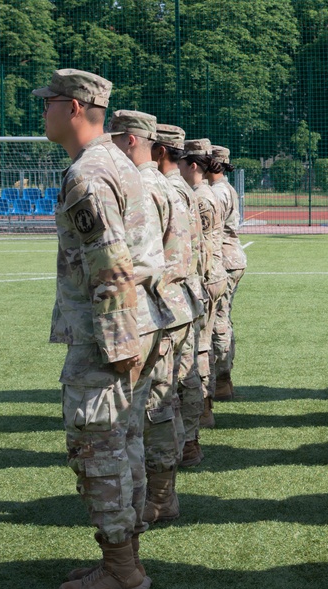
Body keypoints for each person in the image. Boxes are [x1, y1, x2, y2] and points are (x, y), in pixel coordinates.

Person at [35, 68, 151, 589]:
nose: (43, 111)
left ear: (76, 107)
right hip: (128, 330)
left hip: (108, 337)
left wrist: (119, 345)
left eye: (49, 102)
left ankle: (121, 568)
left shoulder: (88, 174)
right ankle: (125, 555)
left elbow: (111, 265)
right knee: (122, 441)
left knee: (96, 444)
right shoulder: (116, 163)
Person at [110, 110, 196, 523]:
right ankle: (162, 493)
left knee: (151, 410)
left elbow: (137, 260)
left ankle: (156, 498)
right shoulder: (167, 184)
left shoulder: (142, 186)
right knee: (163, 404)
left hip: (157, 304)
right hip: (177, 302)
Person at [155, 124, 210, 467]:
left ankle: (174, 449)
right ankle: (189, 441)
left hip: (170, 294)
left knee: (166, 382)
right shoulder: (185, 189)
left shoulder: (163, 188)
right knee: (185, 372)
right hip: (189, 290)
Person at [180, 139, 229, 433]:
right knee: (201, 343)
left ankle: (202, 409)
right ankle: (203, 405)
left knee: (199, 346)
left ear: (194, 166)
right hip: (212, 273)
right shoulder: (205, 193)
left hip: (206, 275)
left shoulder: (200, 197)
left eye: (182, 163)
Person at [207, 146, 247, 402]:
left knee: (219, 321)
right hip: (230, 257)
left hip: (224, 259)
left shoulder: (217, 192)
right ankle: (224, 377)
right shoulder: (225, 188)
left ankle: (221, 379)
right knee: (223, 318)